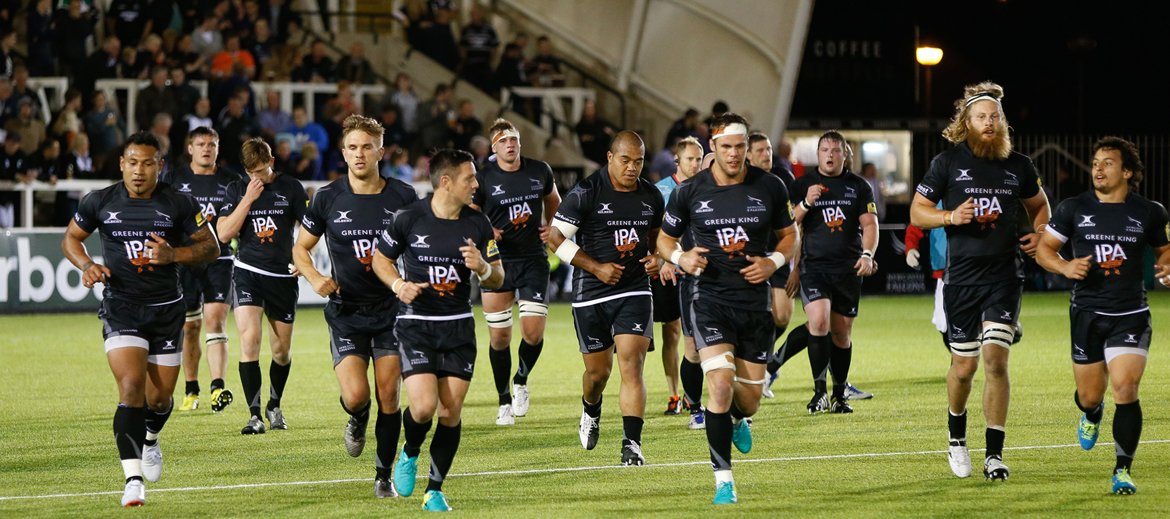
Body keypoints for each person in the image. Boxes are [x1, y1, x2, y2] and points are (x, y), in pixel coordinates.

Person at [61, 131, 219, 507]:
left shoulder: (178, 203)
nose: (138, 171)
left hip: (167, 311)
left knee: (161, 400)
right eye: (132, 163)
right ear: (121, 163)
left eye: (147, 163)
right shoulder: (99, 201)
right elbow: (71, 239)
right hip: (122, 307)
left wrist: (173, 255)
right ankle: (132, 479)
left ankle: (150, 437)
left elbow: (211, 246)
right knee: (131, 386)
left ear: (159, 166)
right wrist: (87, 264)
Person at [909, 81, 1050, 481]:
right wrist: (950, 217)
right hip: (962, 282)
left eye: (995, 116)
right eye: (981, 116)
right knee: (964, 366)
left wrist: (1041, 232)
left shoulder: (1019, 165)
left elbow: (1040, 206)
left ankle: (994, 455)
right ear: (966, 122)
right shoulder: (947, 163)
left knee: (996, 360)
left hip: (1004, 277)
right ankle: (956, 438)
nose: (990, 122)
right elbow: (919, 212)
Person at [657, 112, 797, 504]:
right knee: (718, 385)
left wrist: (774, 262)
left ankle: (738, 418)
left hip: (754, 303)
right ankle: (724, 481)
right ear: (713, 147)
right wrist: (682, 258)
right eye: (726, 147)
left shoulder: (769, 186)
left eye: (740, 147)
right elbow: (664, 240)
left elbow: (789, 235)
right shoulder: (690, 191)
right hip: (708, 299)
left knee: (749, 399)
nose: (734, 154)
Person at [293, 114, 420, 498]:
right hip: (346, 312)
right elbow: (301, 248)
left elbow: (418, 245)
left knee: (390, 396)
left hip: (390, 312)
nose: (359, 154)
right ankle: (356, 418)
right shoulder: (327, 198)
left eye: (367, 146)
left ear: (381, 150)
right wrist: (315, 278)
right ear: (343, 153)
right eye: (352, 147)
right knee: (356, 396)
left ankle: (382, 475)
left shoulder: (403, 196)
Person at [1036, 136, 1170, 495]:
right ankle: (1092, 414)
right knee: (1091, 396)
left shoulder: (1149, 211)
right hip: (1087, 314)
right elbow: (1045, 250)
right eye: (1095, 162)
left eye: (1107, 162)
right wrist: (1065, 268)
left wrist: (1166, 266)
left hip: (1131, 314)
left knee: (1126, 388)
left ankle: (1122, 470)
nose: (1098, 167)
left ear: (1127, 172)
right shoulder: (1072, 208)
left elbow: (1165, 249)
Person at [372, 148, 504, 512]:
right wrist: (399, 285)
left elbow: (499, 276)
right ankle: (410, 451)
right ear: (445, 182)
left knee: (451, 410)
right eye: (469, 178)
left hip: (458, 327)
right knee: (425, 406)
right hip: (416, 326)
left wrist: (482, 268)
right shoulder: (409, 218)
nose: (476, 184)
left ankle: (434, 489)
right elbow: (380, 259)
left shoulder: (477, 224)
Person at [548, 130, 664, 466]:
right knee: (598, 374)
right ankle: (591, 408)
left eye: (639, 161)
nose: (632, 167)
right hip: (592, 291)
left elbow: (659, 237)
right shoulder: (586, 192)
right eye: (626, 160)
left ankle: (632, 444)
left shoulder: (651, 196)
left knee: (632, 363)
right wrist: (595, 267)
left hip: (635, 289)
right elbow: (554, 238)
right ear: (610, 158)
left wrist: (659, 257)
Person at [471, 118, 562, 425]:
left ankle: (521, 380)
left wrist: (552, 227)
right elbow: (468, 214)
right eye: (503, 140)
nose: (509, 144)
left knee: (533, 334)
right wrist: (486, 230)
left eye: (514, 139)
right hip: (496, 261)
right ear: (494, 148)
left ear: (519, 143)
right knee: (499, 338)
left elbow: (554, 201)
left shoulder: (540, 171)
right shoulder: (483, 178)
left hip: (533, 259)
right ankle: (503, 401)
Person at [216, 137, 309, 435]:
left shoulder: (291, 188)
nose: (259, 175)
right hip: (248, 272)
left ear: (272, 161)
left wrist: (303, 260)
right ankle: (254, 415)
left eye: (263, 168)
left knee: (281, 351)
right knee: (249, 339)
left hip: (282, 277)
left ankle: (274, 404)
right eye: (252, 171)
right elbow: (223, 233)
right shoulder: (235, 189)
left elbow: (309, 229)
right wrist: (247, 199)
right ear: (245, 169)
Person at [786, 131, 879, 414]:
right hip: (814, 267)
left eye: (836, 150)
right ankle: (819, 393)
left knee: (842, 332)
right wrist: (806, 203)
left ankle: (840, 395)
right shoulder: (803, 184)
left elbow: (871, 225)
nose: (830, 154)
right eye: (825, 149)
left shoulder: (859, 186)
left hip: (847, 269)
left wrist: (867, 254)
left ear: (844, 155)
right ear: (817, 154)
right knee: (819, 321)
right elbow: (787, 223)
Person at [161, 127, 243, 413]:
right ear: (190, 148)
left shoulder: (232, 181)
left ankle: (218, 387)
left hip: (220, 259)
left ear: (218, 148)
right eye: (201, 144)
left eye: (212, 144)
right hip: (184, 260)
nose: (207, 148)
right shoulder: (174, 179)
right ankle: (191, 389)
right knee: (190, 326)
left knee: (215, 319)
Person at [651, 136, 701, 419]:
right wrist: (663, 261)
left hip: (697, 272)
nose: (694, 163)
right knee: (671, 332)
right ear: (677, 160)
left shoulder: (706, 189)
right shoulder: (662, 191)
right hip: (668, 271)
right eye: (690, 158)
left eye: (698, 158)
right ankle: (674, 393)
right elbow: (654, 233)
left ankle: (692, 392)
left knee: (694, 336)